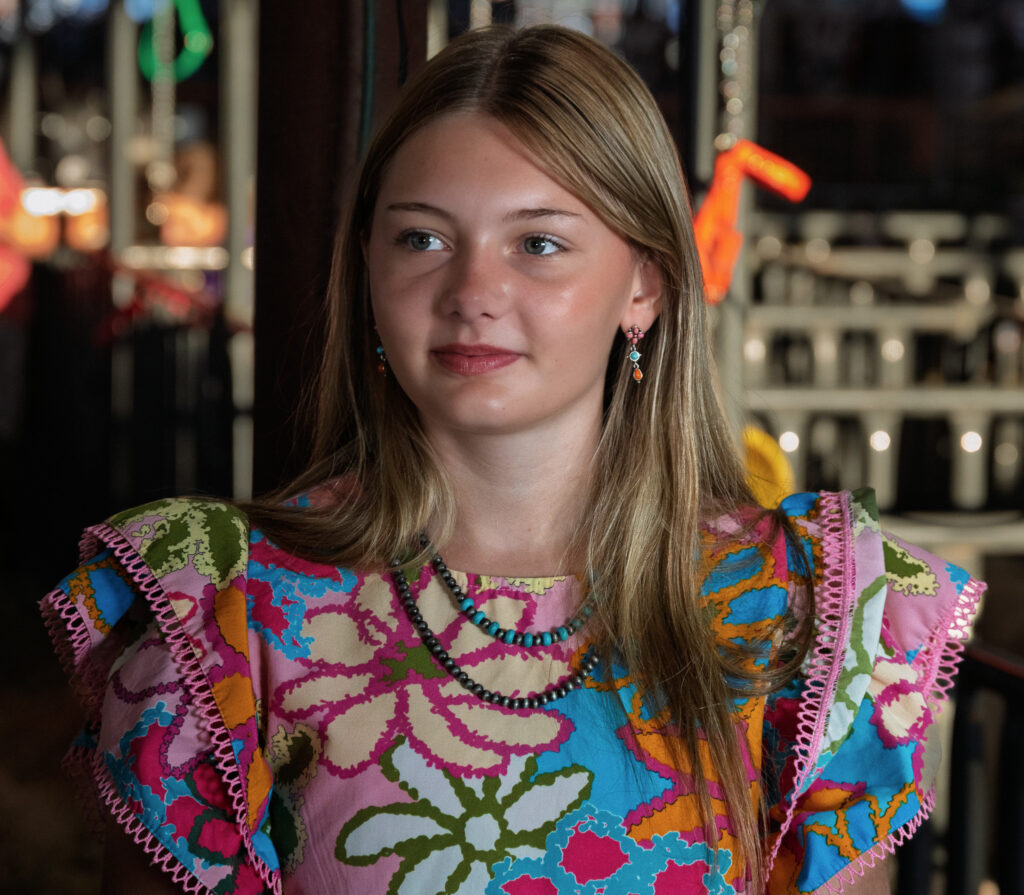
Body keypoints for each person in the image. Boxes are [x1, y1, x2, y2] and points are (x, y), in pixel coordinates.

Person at [41, 24, 982, 895]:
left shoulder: (803, 610)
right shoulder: (224, 610)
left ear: (644, 284)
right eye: (423, 237)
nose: (472, 291)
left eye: (538, 243)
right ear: (367, 270)